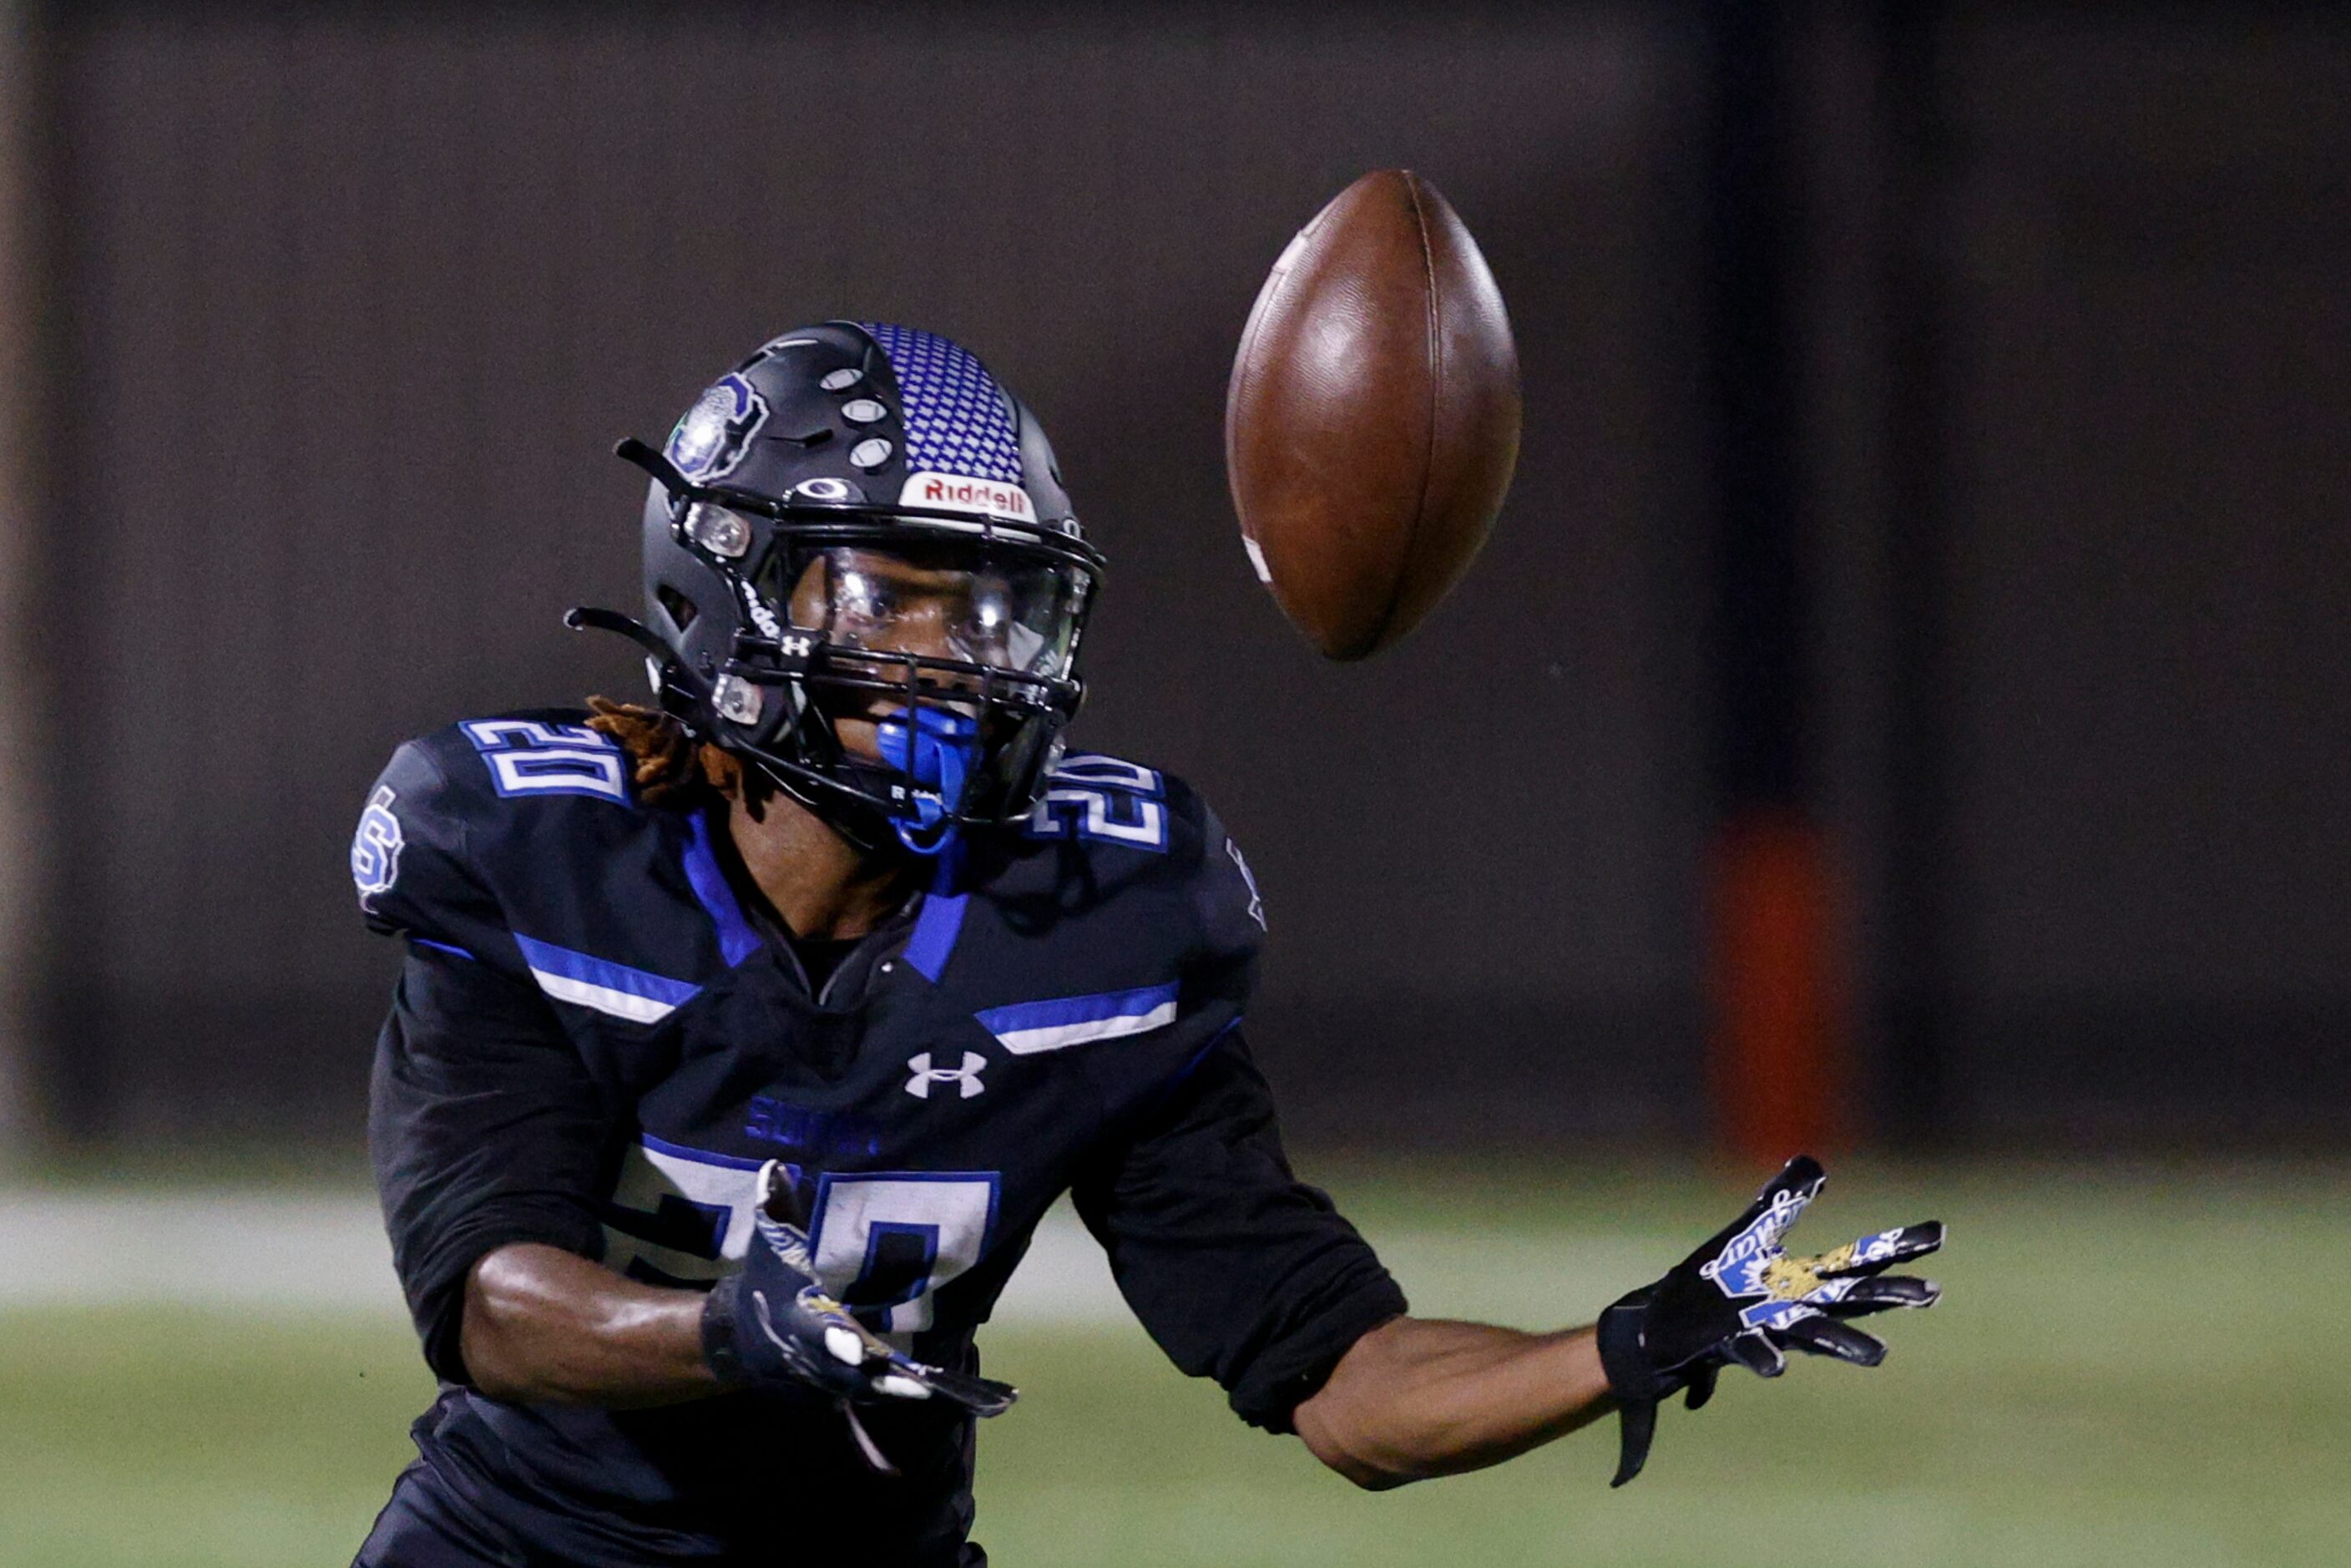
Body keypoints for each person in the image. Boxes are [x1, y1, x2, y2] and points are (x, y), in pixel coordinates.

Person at [350, 321, 1944, 1566]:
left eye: (994, 609)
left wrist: (1619, 1343)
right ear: (731, 599)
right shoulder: (544, 853)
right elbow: (493, 1303)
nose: (962, 660)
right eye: (898, 599)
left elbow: (1339, 1376)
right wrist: (723, 1327)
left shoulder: (1098, 916)